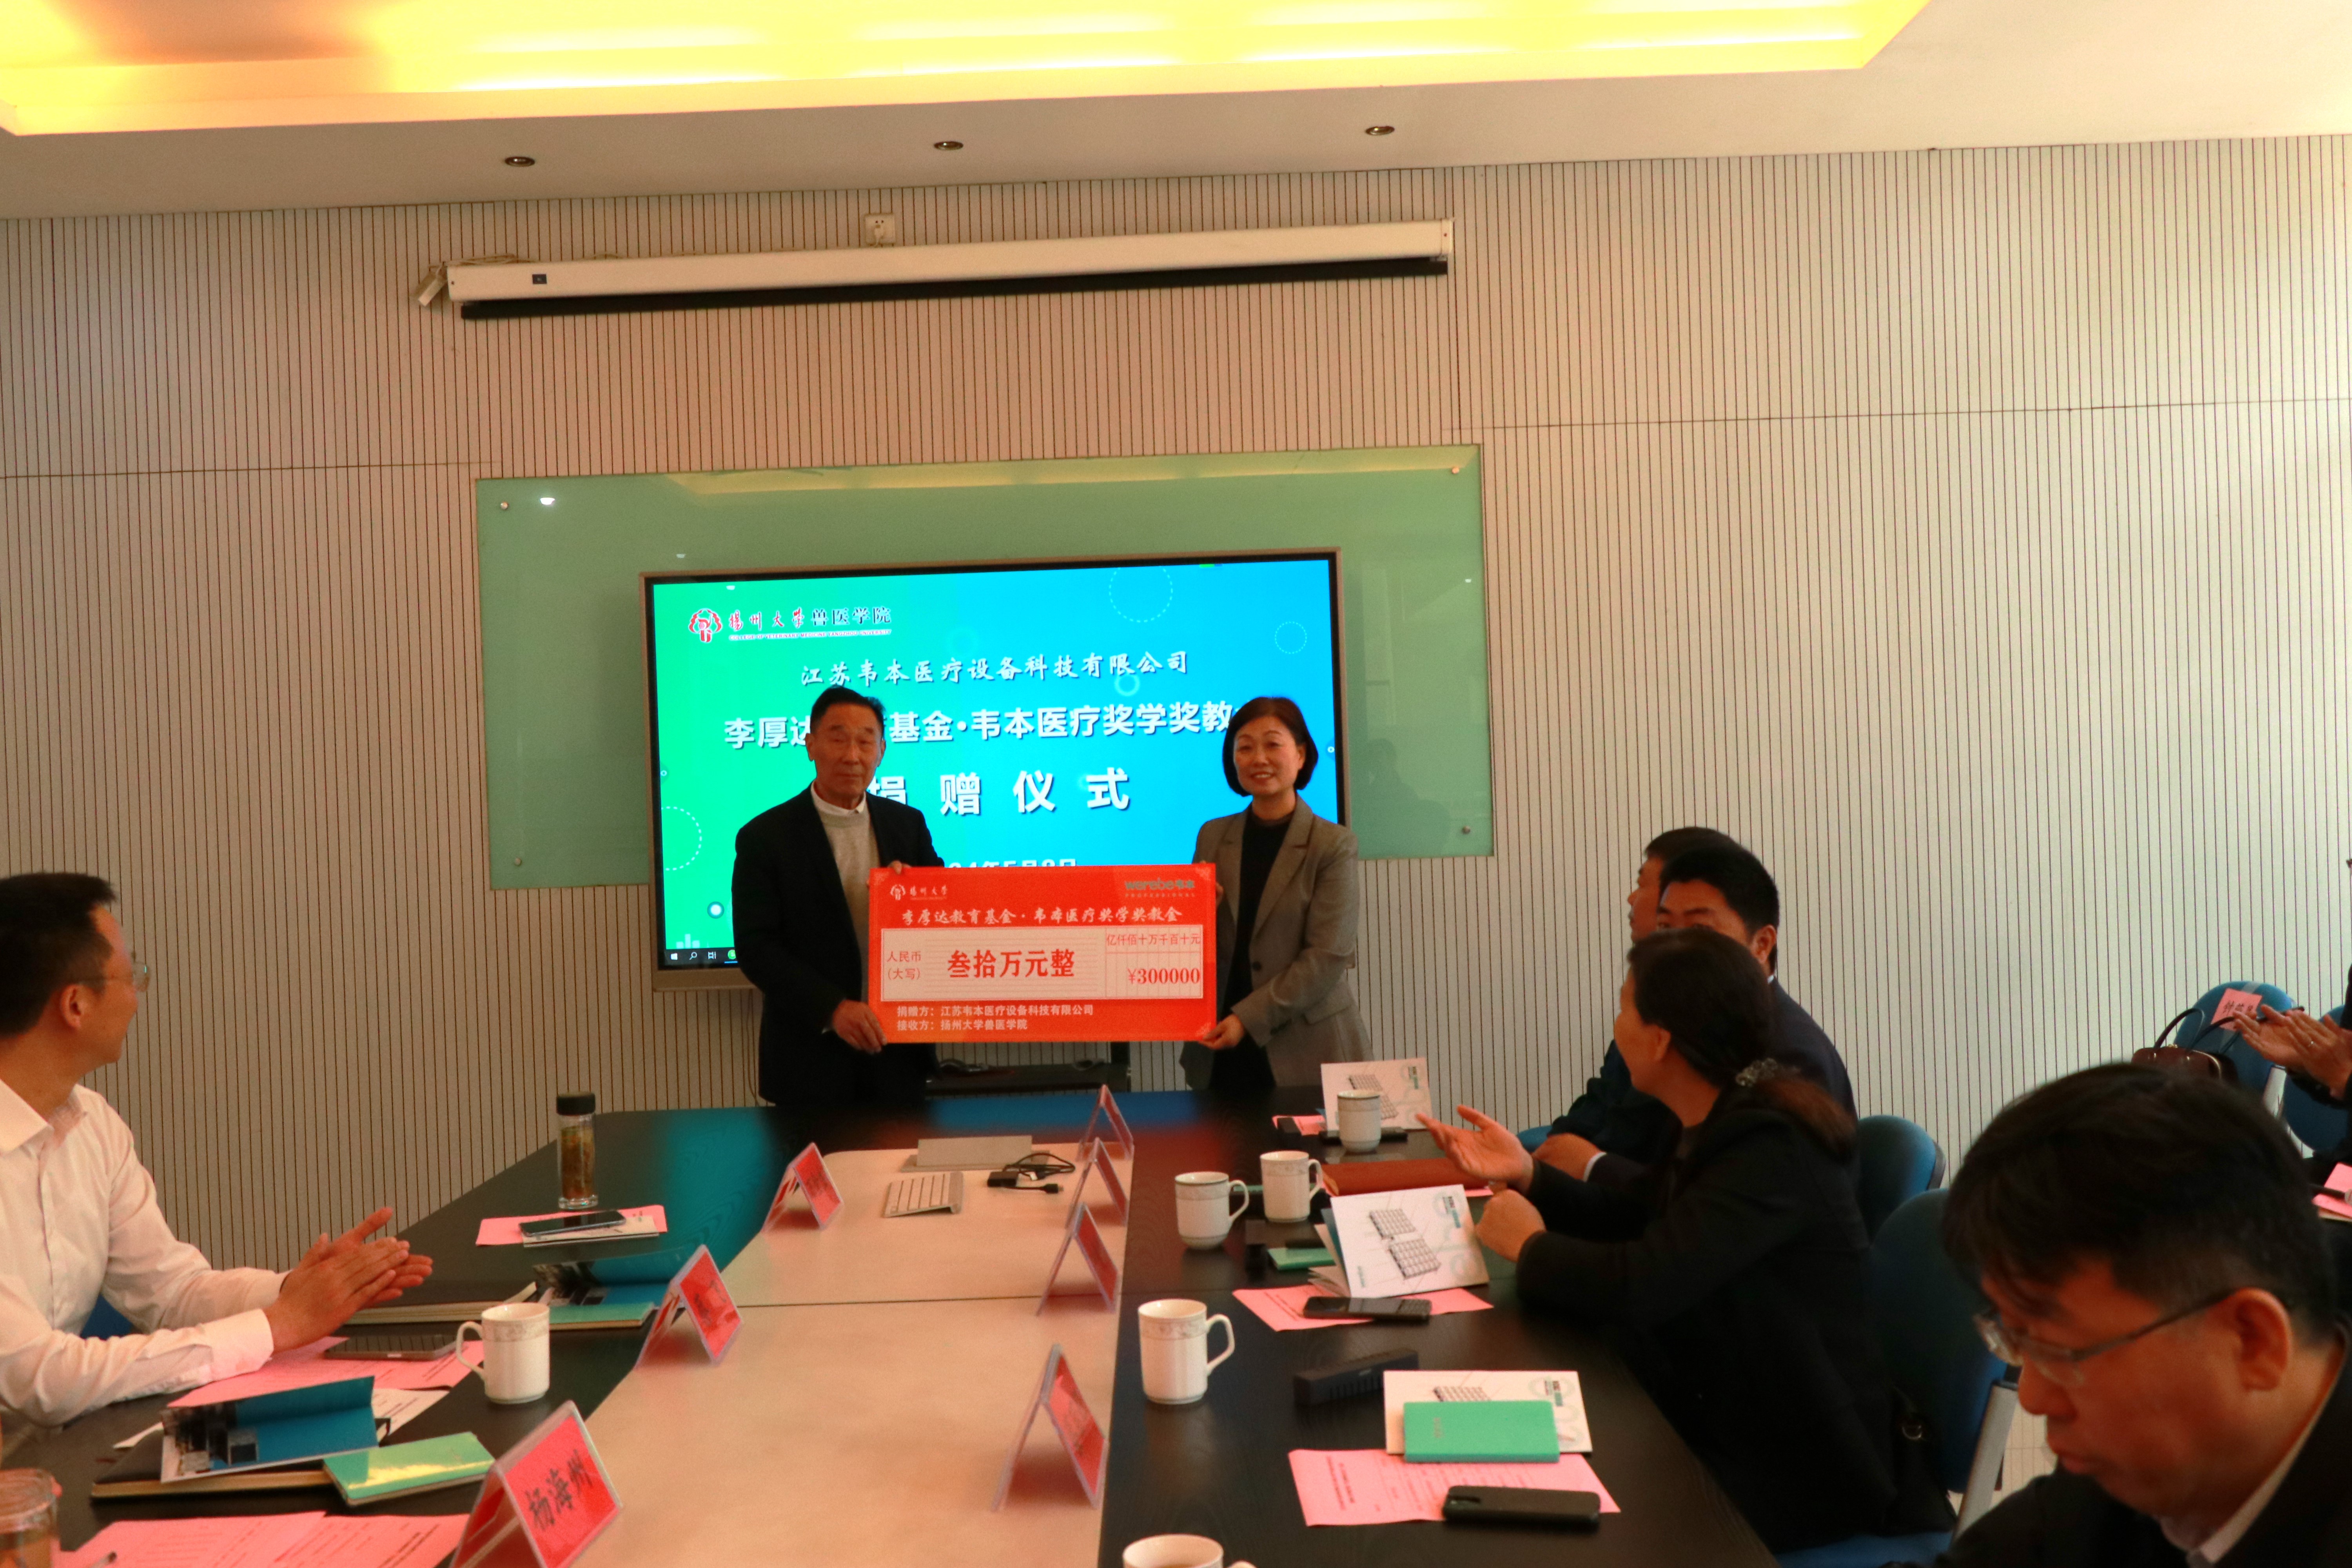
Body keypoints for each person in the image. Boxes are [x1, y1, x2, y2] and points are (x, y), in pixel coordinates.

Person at [1422, 927, 1941, 1551]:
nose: (1617, 1026)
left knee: (1550, 1530)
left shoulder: (1772, 1145)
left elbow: (1643, 1285)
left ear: (1661, 1040)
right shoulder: (1726, 1113)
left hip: (1798, 1462)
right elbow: (1646, 1218)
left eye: (1625, 1009)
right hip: (1722, 1409)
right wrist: (1530, 1175)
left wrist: (1532, 1248)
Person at [0, 873, 432, 1429]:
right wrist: (278, 1326)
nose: (137, 999)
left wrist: (293, 1292)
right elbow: (40, 1376)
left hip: (51, 1452)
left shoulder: (92, 1123)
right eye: (133, 977)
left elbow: (170, 1293)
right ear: (76, 1005)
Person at [1937, 1066, 2350, 1566]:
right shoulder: (2144, 1471)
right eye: (2018, 1340)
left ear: (2252, 1340)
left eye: (2064, 1352)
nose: (2034, 1397)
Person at [1546, 841, 1857, 1186]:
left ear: (1762, 944)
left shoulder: (1791, 1054)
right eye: (1666, 930)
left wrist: (1592, 1166)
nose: (1676, 951)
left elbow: (1732, 1200)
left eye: (1700, 932)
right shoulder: (1696, 1025)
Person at [733, 686, 945, 1111]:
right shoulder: (765, 836)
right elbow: (757, 948)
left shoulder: (908, 824)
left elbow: (944, 912)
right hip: (809, 1060)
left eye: (866, 741)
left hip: (898, 1055)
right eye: (838, 738)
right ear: (810, 745)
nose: (852, 755)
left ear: (881, 751)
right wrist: (833, 1009)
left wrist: (917, 893)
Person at [1180, 697, 1367, 1094]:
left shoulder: (1333, 844)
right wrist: (1196, 917)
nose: (1258, 758)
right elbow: (1192, 941)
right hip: (1220, 1047)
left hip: (1306, 1047)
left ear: (1301, 755)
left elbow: (1327, 957)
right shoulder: (1213, 836)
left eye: (1272, 744)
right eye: (1245, 747)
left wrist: (1247, 1020)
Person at [1533, 826, 1740, 1176]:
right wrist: (1548, 1159)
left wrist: (1582, 1166)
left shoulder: (1711, 1024)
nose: (1632, 899)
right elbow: (1601, 1098)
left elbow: (1652, 1173)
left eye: (1643, 884)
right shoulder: (1659, 987)